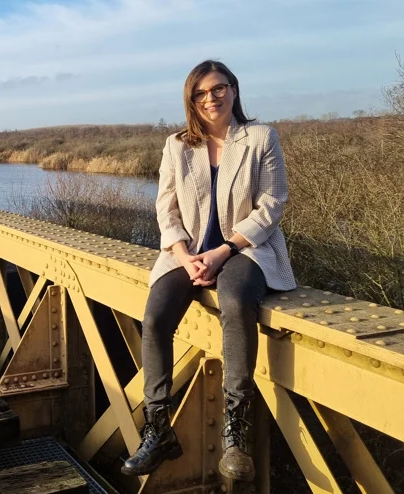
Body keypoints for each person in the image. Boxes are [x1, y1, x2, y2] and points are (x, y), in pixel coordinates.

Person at [120, 60, 296, 482]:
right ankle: (159, 430)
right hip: (190, 251)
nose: (210, 98)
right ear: (191, 101)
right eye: (199, 94)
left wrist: (223, 251)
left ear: (233, 89)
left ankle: (236, 431)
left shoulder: (259, 138)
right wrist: (184, 256)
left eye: (217, 89)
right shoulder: (177, 144)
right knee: (155, 317)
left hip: (245, 250)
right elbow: (166, 207)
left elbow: (272, 204)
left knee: (236, 302)